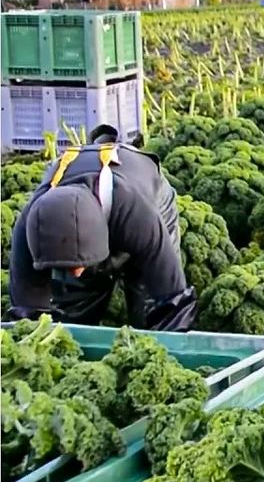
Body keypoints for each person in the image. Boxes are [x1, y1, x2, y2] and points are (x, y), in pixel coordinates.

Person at [6, 125, 198, 331]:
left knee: (146, 304)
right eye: (68, 267)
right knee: (73, 310)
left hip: (142, 193)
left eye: (77, 266)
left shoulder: (138, 215)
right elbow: (28, 308)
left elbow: (171, 296)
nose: (76, 273)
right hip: (83, 212)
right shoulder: (30, 226)